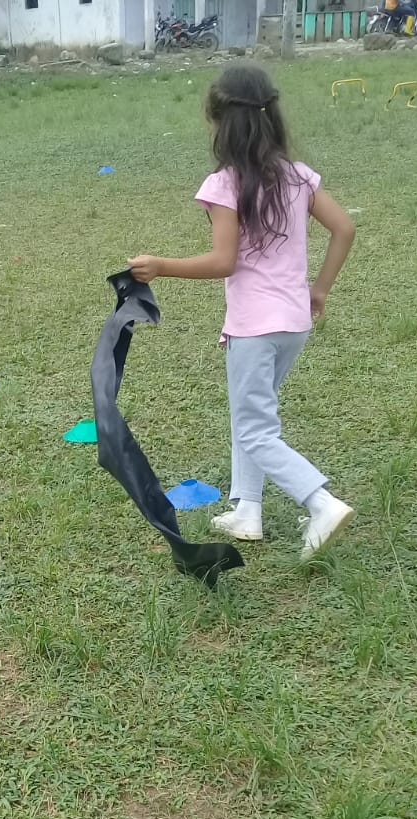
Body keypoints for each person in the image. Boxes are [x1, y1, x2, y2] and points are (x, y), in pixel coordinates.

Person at [128, 65, 356, 560]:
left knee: (255, 428)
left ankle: (321, 503)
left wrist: (161, 266)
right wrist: (319, 290)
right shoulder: (298, 176)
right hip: (293, 323)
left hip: (255, 328)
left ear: (219, 122)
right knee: (248, 414)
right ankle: (246, 509)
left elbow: (223, 261)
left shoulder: (224, 184)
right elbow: (344, 228)